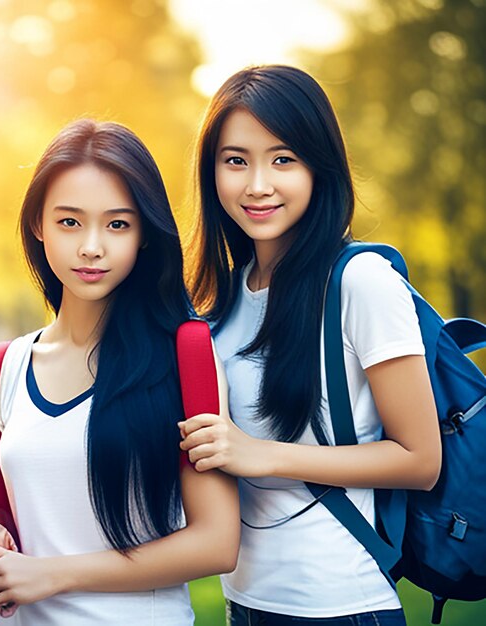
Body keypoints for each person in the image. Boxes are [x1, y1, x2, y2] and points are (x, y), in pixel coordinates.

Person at [180, 65, 442, 626]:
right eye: (235, 160)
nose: (257, 184)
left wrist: (258, 451)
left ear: (318, 169)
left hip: (338, 606)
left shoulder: (359, 282)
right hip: (244, 603)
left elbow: (420, 459)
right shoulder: (222, 299)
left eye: (282, 159)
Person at [0, 119, 240, 625]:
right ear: (38, 225)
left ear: (145, 236)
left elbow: (217, 542)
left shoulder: (185, 352)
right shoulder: (1, 367)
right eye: (70, 222)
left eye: (117, 224)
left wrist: (54, 574)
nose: (92, 246)